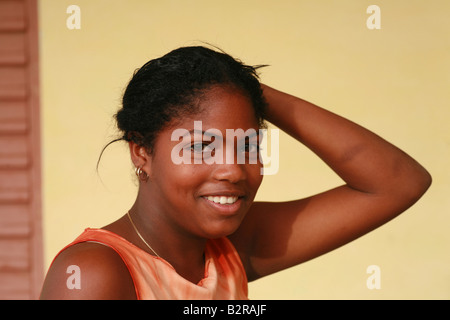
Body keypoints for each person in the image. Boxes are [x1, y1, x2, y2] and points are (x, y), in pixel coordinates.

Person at [40, 46, 431, 299]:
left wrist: (248, 90)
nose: (232, 169)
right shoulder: (95, 273)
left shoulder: (230, 251)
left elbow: (397, 183)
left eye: (248, 144)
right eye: (199, 146)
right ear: (142, 152)